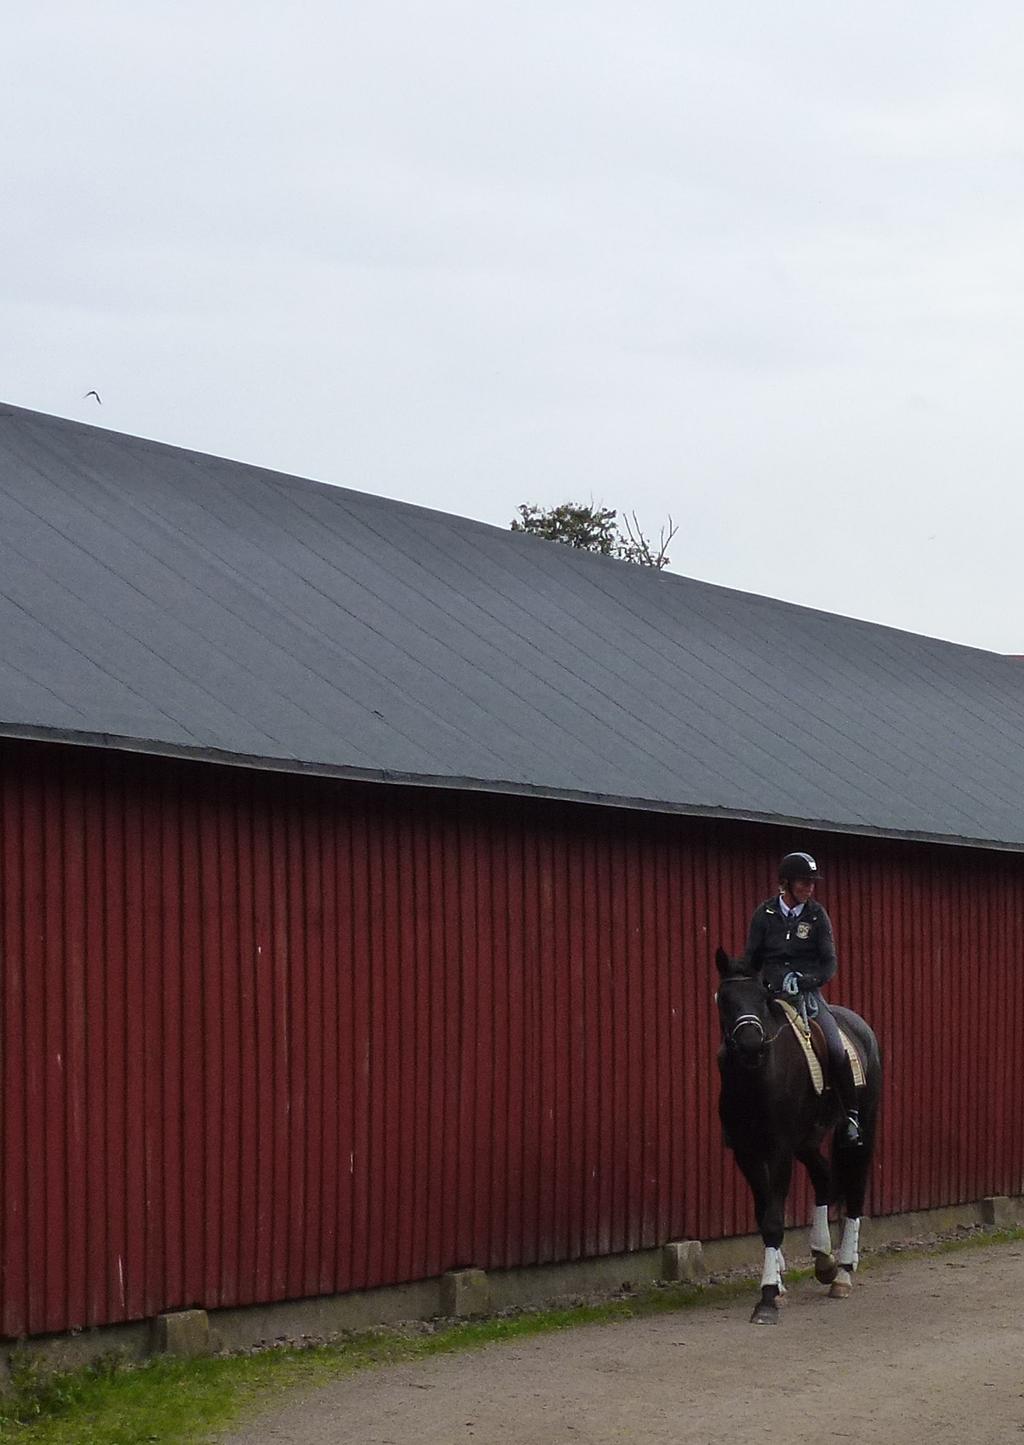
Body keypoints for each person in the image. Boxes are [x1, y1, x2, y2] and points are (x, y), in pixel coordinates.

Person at [742, 850, 862, 1145]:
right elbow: (752, 958)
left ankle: (851, 1116)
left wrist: (806, 980)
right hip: (772, 995)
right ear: (786, 883)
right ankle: (742, 1111)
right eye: (803, 882)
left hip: (807, 996)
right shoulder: (765, 914)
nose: (809, 887)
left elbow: (829, 963)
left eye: (811, 882)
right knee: (744, 1040)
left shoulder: (817, 915)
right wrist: (763, 983)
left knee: (835, 1047)